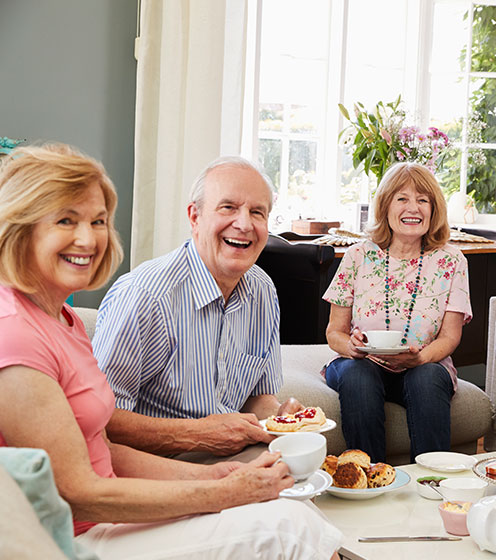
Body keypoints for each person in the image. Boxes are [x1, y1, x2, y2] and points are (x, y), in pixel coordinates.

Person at [0, 144, 342, 559]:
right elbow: (79, 491)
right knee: (290, 530)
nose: (88, 238)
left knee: (291, 506)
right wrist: (218, 489)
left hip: (117, 504)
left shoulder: (61, 319)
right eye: (66, 220)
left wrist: (221, 477)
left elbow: (101, 450)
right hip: (69, 534)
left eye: (99, 221)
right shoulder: (17, 332)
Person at [92, 155, 300, 461]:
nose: (244, 224)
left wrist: (282, 418)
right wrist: (199, 434)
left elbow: (258, 399)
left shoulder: (263, 290)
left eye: (257, 212)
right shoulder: (145, 295)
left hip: (231, 456)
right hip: (151, 465)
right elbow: (100, 420)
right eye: (228, 207)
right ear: (194, 217)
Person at [323, 162, 471, 463]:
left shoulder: (452, 260)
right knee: (358, 375)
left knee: (426, 377)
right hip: (362, 364)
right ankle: (368, 477)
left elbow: (450, 336)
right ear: (385, 206)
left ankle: (433, 483)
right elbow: (334, 332)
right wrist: (351, 347)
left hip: (424, 365)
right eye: (401, 198)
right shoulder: (358, 256)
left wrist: (421, 357)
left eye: (422, 200)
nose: (412, 208)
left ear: (434, 209)